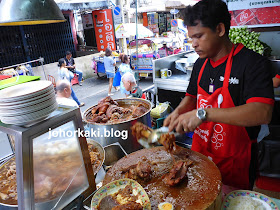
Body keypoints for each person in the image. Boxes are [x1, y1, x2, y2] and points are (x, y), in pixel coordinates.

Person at [163, 0, 274, 190]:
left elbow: (262, 112)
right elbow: (191, 97)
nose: (194, 44)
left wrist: (204, 113)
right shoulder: (200, 63)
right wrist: (178, 113)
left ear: (220, 29)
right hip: (199, 159)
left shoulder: (252, 63)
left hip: (234, 164)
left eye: (199, 36)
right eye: (191, 37)